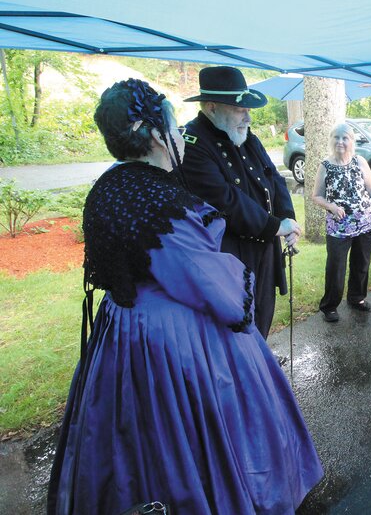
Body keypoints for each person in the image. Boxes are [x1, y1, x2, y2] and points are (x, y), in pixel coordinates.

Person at [47, 79, 323, 514]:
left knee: (127, 442)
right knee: (192, 437)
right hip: (172, 339)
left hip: (118, 330)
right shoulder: (163, 200)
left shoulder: (106, 188)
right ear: (157, 136)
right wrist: (238, 279)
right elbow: (212, 285)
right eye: (172, 129)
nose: (178, 136)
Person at [182, 66, 301, 339]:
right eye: (240, 109)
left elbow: (275, 178)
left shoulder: (245, 135)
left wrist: (288, 220)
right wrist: (274, 226)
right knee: (235, 327)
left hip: (264, 247)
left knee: (262, 315)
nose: (248, 116)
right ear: (211, 107)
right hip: (230, 254)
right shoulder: (194, 143)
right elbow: (226, 200)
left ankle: (260, 365)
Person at [311, 123, 371, 322]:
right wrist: (332, 207)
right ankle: (329, 306)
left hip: (366, 223)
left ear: (351, 141)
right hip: (339, 227)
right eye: (336, 137)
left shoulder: (360, 161)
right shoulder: (325, 165)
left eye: (345, 138)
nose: (340, 142)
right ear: (331, 140)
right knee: (336, 268)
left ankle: (357, 298)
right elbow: (316, 196)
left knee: (361, 264)